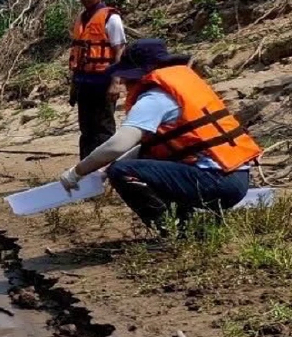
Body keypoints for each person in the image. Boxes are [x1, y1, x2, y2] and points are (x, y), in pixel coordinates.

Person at [58, 39, 261, 235]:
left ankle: (178, 231)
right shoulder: (183, 86)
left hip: (217, 182)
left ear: (139, 74)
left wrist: (78, 171)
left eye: (127, 76)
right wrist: (102, 171)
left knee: (121, 171)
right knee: (140, 159)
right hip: (236, 178)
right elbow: (146, 149)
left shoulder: (155, 98)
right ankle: (193, 222)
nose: (124, 82)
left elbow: (118, 144)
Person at [69, 0, 127, 159]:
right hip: (83, 81)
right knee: (86, 129)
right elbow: (78, 53)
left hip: (103, 81)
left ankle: (105, 168)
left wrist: (115, 82)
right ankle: (86, 169)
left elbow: (120, 50)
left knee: (103, 128)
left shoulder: (111, 18)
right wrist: (73, 85)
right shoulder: (81, 18)